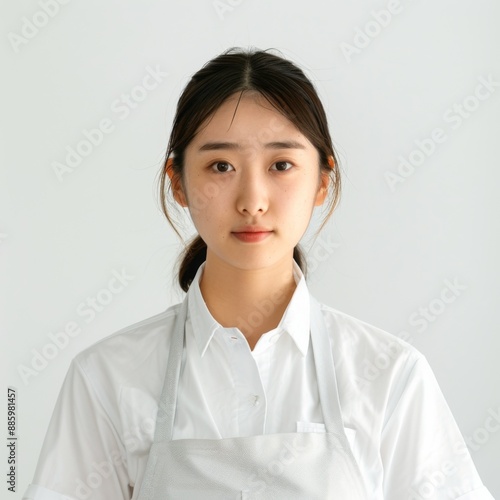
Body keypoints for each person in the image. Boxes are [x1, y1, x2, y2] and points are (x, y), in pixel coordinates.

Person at [23, 47, 494, 500]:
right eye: (221, 165)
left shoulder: (390, 377)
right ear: (178, 182)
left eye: (281, 165)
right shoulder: (107, 377)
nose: (252, 199)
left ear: (322, 182)